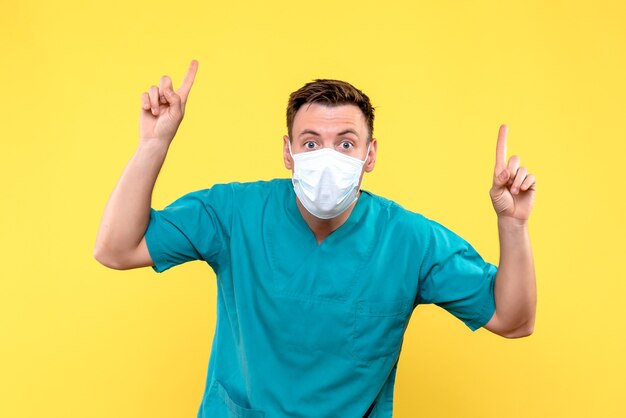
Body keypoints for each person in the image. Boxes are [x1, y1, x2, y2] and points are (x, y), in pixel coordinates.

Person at [94, 59, 537, 417]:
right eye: (311, 143)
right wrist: (154, 144)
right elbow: (116, 249)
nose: (327, 157)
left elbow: (514, 320)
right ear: (288, 152)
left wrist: (513, 227)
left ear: (370, 155)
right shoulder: (233, 214)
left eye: (345, 143)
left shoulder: (409, 241)